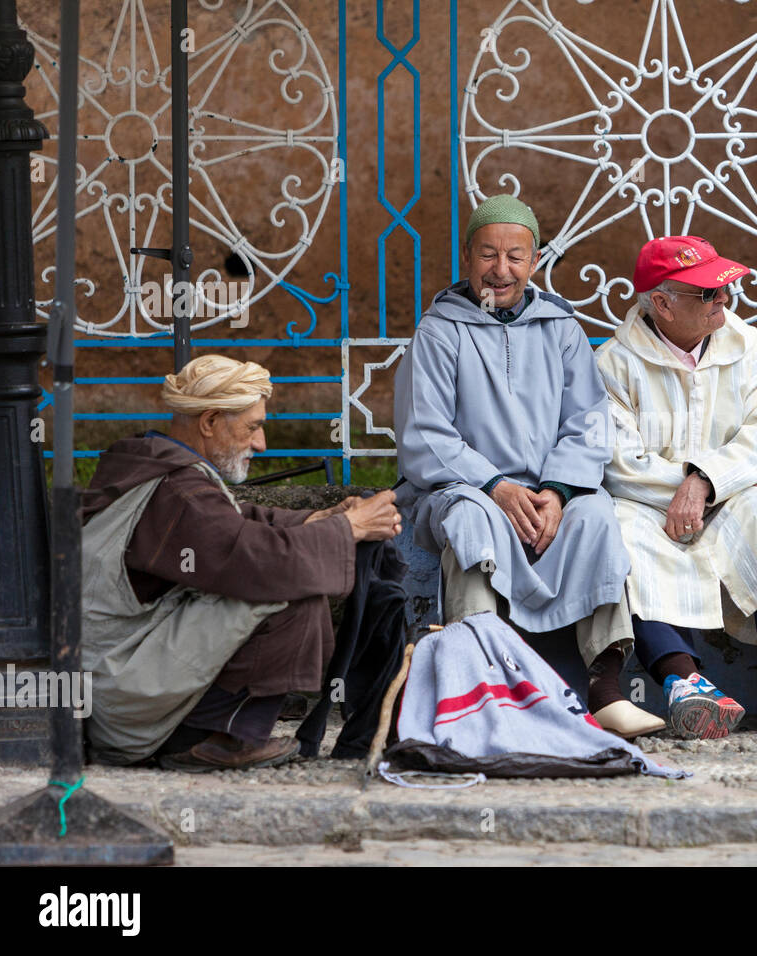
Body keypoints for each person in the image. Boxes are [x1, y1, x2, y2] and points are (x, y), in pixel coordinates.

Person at [393, 194, 662, 738]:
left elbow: (588, 419)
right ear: (467, 258)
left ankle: (605, 691)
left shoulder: (559, 327)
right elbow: (425, 433)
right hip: (465, 487)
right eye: (488, 255)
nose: (501, 270)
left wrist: (558, 491)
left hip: (546, 494)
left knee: (595, 517)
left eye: (515, 256)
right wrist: (495, 486)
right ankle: (480, 689)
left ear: (535, 261)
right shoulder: (440, 331)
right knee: (470, 521)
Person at [80, 354, 403, 771]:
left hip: (113, 682)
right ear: (210, 421)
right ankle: (207, 736)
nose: (261, 443)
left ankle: (212, 729)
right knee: (289, 594)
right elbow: (256, 556)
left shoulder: (159, 467)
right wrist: (349, 530)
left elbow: (239, 522)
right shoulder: (178, 491)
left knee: (289, 569)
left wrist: (321, 519)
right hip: (118, 698)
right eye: (252, 427)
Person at [596, 236, 757, 739]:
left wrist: (707, 481)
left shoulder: (749, 346)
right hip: (649, 506)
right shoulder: (614, 363)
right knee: (621, 530)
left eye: (724, 289)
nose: (724, 301)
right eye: (707, 294)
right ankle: (683, 684)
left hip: (728, 498)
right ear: (663, 304)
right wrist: (689, 487)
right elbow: (619, 460)